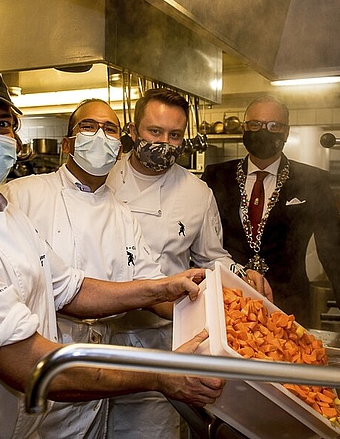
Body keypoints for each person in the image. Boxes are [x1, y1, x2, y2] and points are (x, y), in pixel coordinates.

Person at [0, 64, 224, 439]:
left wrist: (164, 287)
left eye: (3, 124)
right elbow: (30, 365)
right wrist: (161, 375)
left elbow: (70, 288)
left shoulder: (7, 214)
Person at [2, 97, 212, 438]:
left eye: (109, 129)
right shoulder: (20, 195)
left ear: (118, 148)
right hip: (27, 358)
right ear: (68, 144)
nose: (99, 135)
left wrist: (211, 309)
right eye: (88, 126)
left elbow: (154, 286)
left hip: (95, 363)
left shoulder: (122, 216)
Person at [104, 88, 270, 438]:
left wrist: (242, 274)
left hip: (159, 342)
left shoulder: (197, 193)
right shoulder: (100, 179)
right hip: (93, 334)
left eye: (174, 135)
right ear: (133, 132)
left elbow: (212, 258)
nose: (164, 143)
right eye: (154, 132)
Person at [202, 95, 340, 343]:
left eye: (273, 126)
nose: (264, 132)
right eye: (255, 125)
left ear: (286, 133)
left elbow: (335, 251)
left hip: (290, 309)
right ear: (244, 129)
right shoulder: (216, 177)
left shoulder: (313, 181)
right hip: (228, 305)